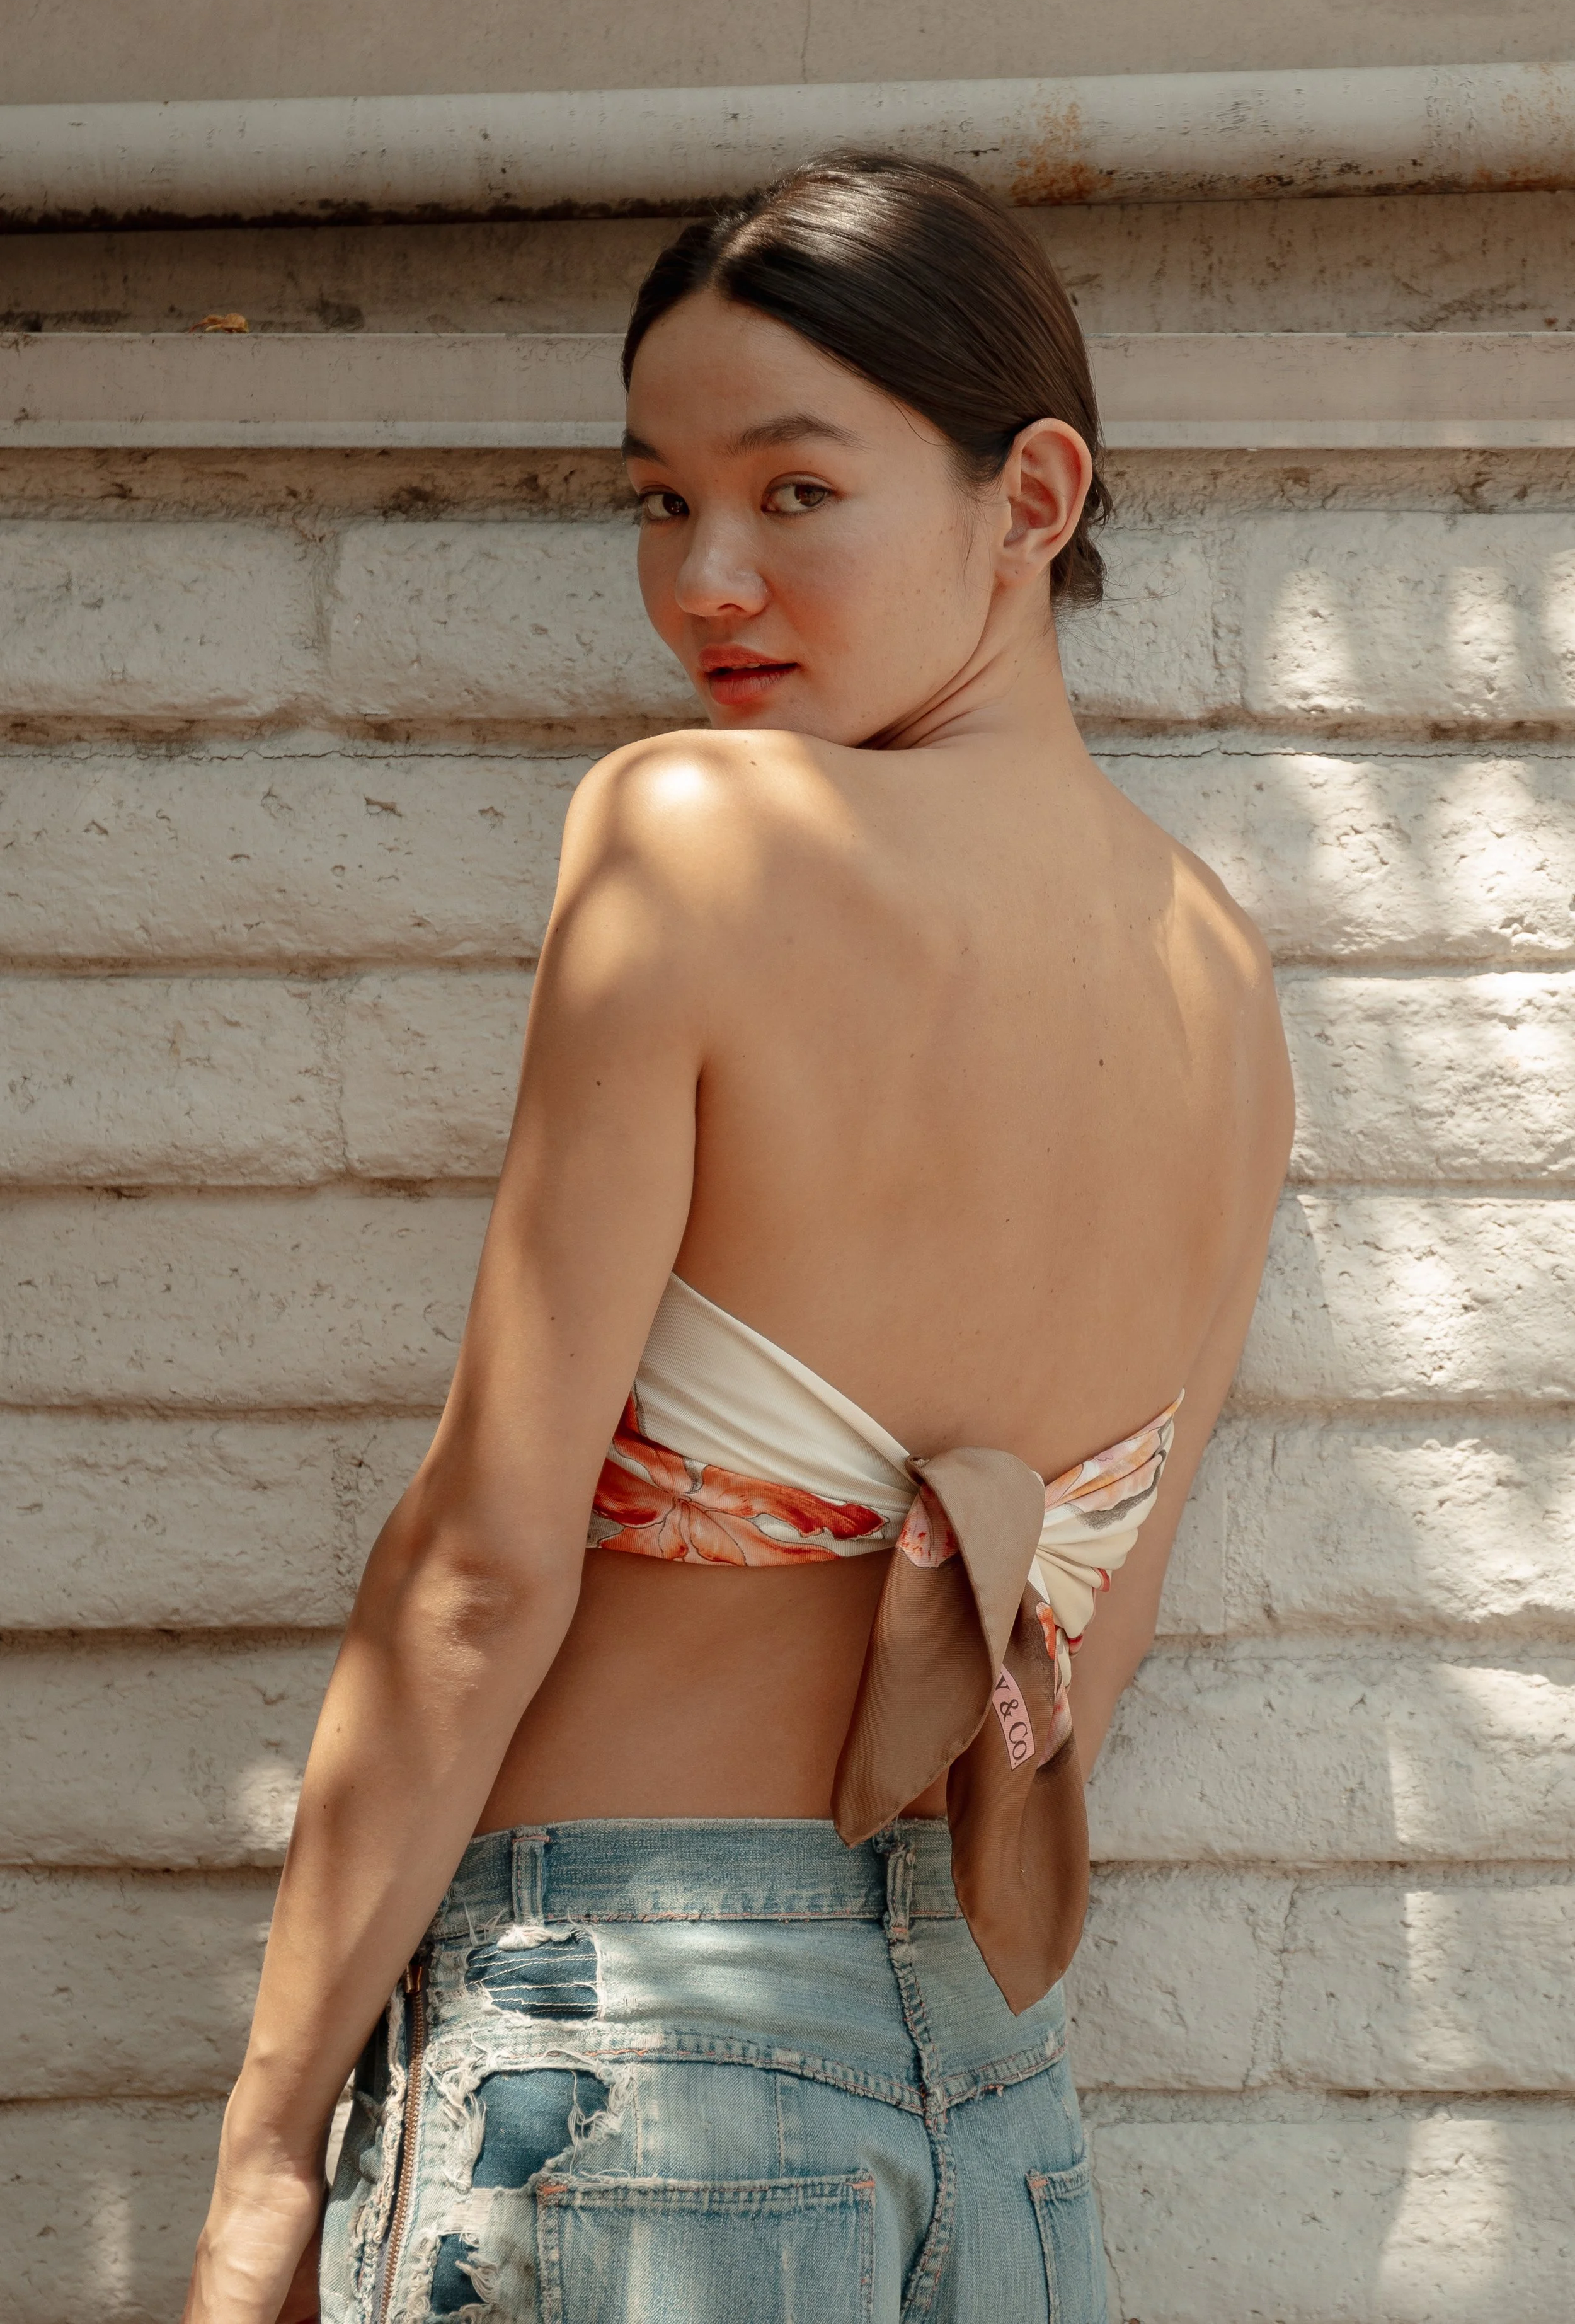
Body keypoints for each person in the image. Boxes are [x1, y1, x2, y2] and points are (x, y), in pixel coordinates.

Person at [183, 153, 1292, 2324]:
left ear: (1031, 492)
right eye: (654, 500)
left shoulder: (691, 840)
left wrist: (261, 2150)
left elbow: (480, 1571)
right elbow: (1083, 1652)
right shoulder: (1223, 983)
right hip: (987, 2092)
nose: (705, 580)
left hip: (626, 2066)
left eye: (794, 493)